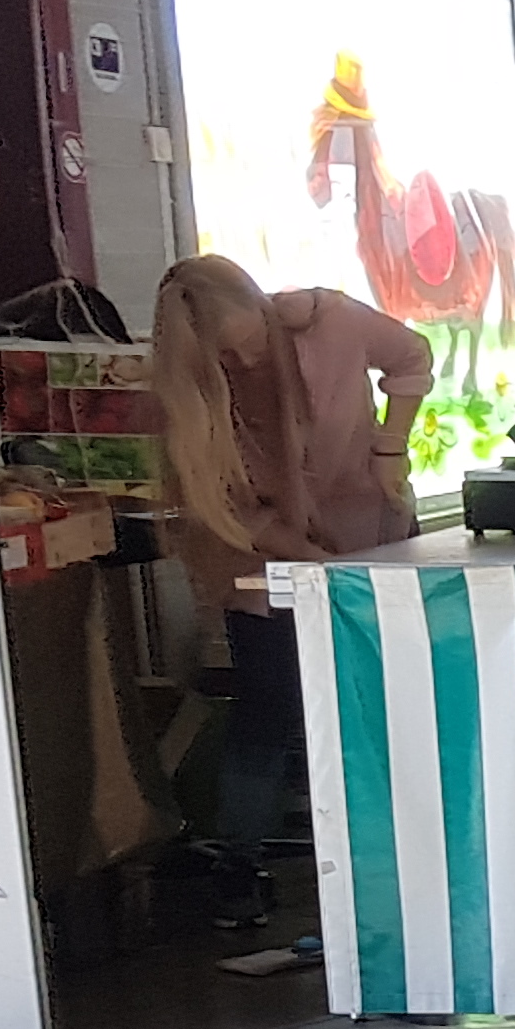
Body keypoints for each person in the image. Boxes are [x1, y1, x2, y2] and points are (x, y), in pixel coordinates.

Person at [149, 256, 432, 928]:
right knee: (268, 711)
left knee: (389, 703)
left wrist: (391, 445)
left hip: (372, 541)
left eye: (251, 341)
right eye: (226, 358)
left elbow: (411, 357)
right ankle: (238, 868)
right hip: (264, 565)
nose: (247, 362)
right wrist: (311, 558)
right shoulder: (189, 396)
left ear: (262, 306)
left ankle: (409, 859)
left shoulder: (329, 321)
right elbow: (230, 509)